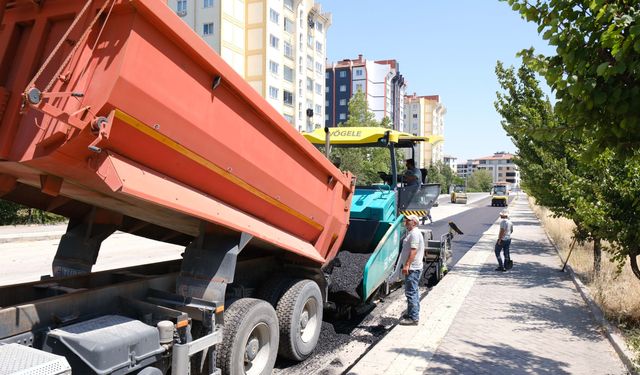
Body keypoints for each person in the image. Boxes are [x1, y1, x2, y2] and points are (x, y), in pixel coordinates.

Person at [399, 214, 425, 325]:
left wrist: (407, 265)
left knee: (411, 292)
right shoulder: (412, 233)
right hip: (414, 267)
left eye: (408, 220)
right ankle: (411, 313)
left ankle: (413, 318)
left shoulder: (414, 234)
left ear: (414, 222)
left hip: (413, 268)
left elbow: (413, 251)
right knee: (413, 291)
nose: (406, 222)